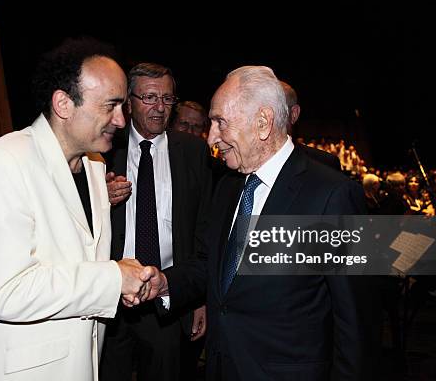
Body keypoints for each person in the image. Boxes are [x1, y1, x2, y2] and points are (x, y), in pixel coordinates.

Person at [150, 66, 374, 380]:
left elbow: (355, 323)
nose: (211, 136)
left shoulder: (331, 196)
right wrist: (164, 283)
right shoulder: (228, 186)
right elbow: (212, 265)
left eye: (220, 122)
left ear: (263, 123)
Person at [0, 38, 162, 381]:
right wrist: (113, 279)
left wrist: (128, 283)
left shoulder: (95, 167)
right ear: (64, 104)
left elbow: (83, 267)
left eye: (123, 106)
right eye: (111, 106)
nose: (121, 120)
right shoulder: (5, 161)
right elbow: (10, 292)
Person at [100, 63, 212, 381]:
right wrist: (99, 198)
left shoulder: (194, 153)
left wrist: (197, 299)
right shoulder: (103, 150)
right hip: (110, 298)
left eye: (167, 98)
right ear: (129, 102)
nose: (160, 107)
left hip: (166, 296)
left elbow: (202, 232)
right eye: (150, 97)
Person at [280, 80, 342, 171]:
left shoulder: (324, 165)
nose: (264, 118)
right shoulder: (251, 163)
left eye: (275, 109)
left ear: (293, 114)